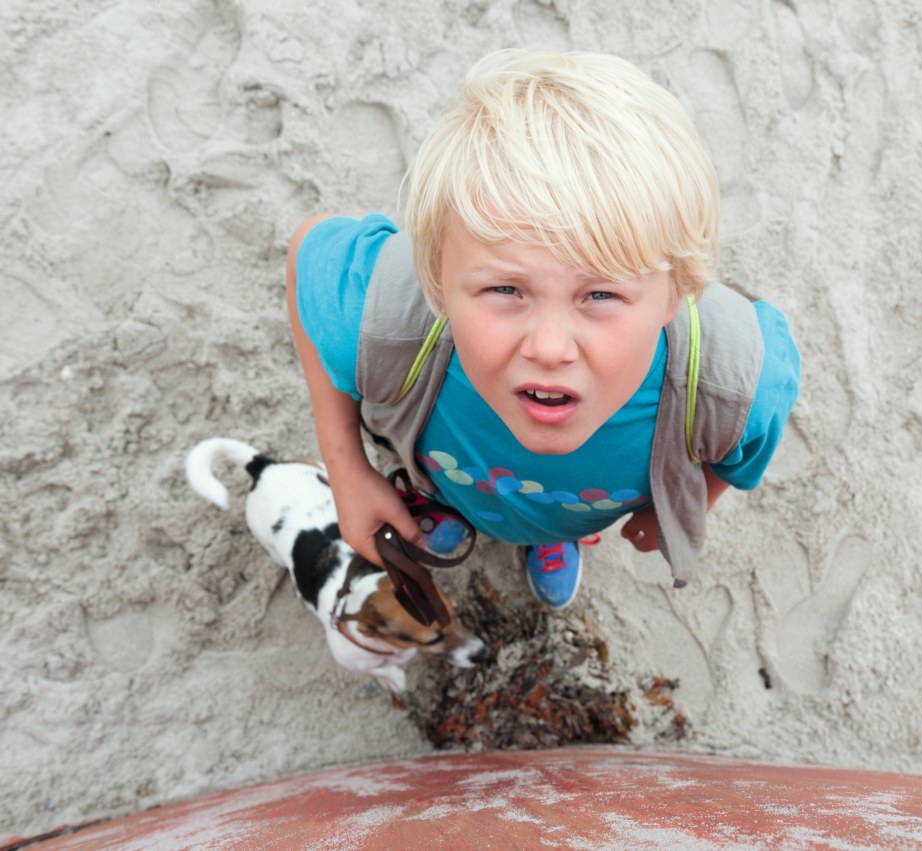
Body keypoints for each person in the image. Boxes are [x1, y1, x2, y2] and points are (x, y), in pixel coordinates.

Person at [285, 49, 800, 610]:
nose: (550, 349)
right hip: (453, 477)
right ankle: (450, 507)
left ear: (677, 292)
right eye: (506, 290)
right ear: (436, 276)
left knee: (553, 519)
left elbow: (738, 451)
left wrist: (691, 502)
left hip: (575, 504)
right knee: (457, 496)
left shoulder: (734, 387)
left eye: (601, 294)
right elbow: (307, 247)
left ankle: (553, 538)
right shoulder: (373, 316)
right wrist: (348, 471)